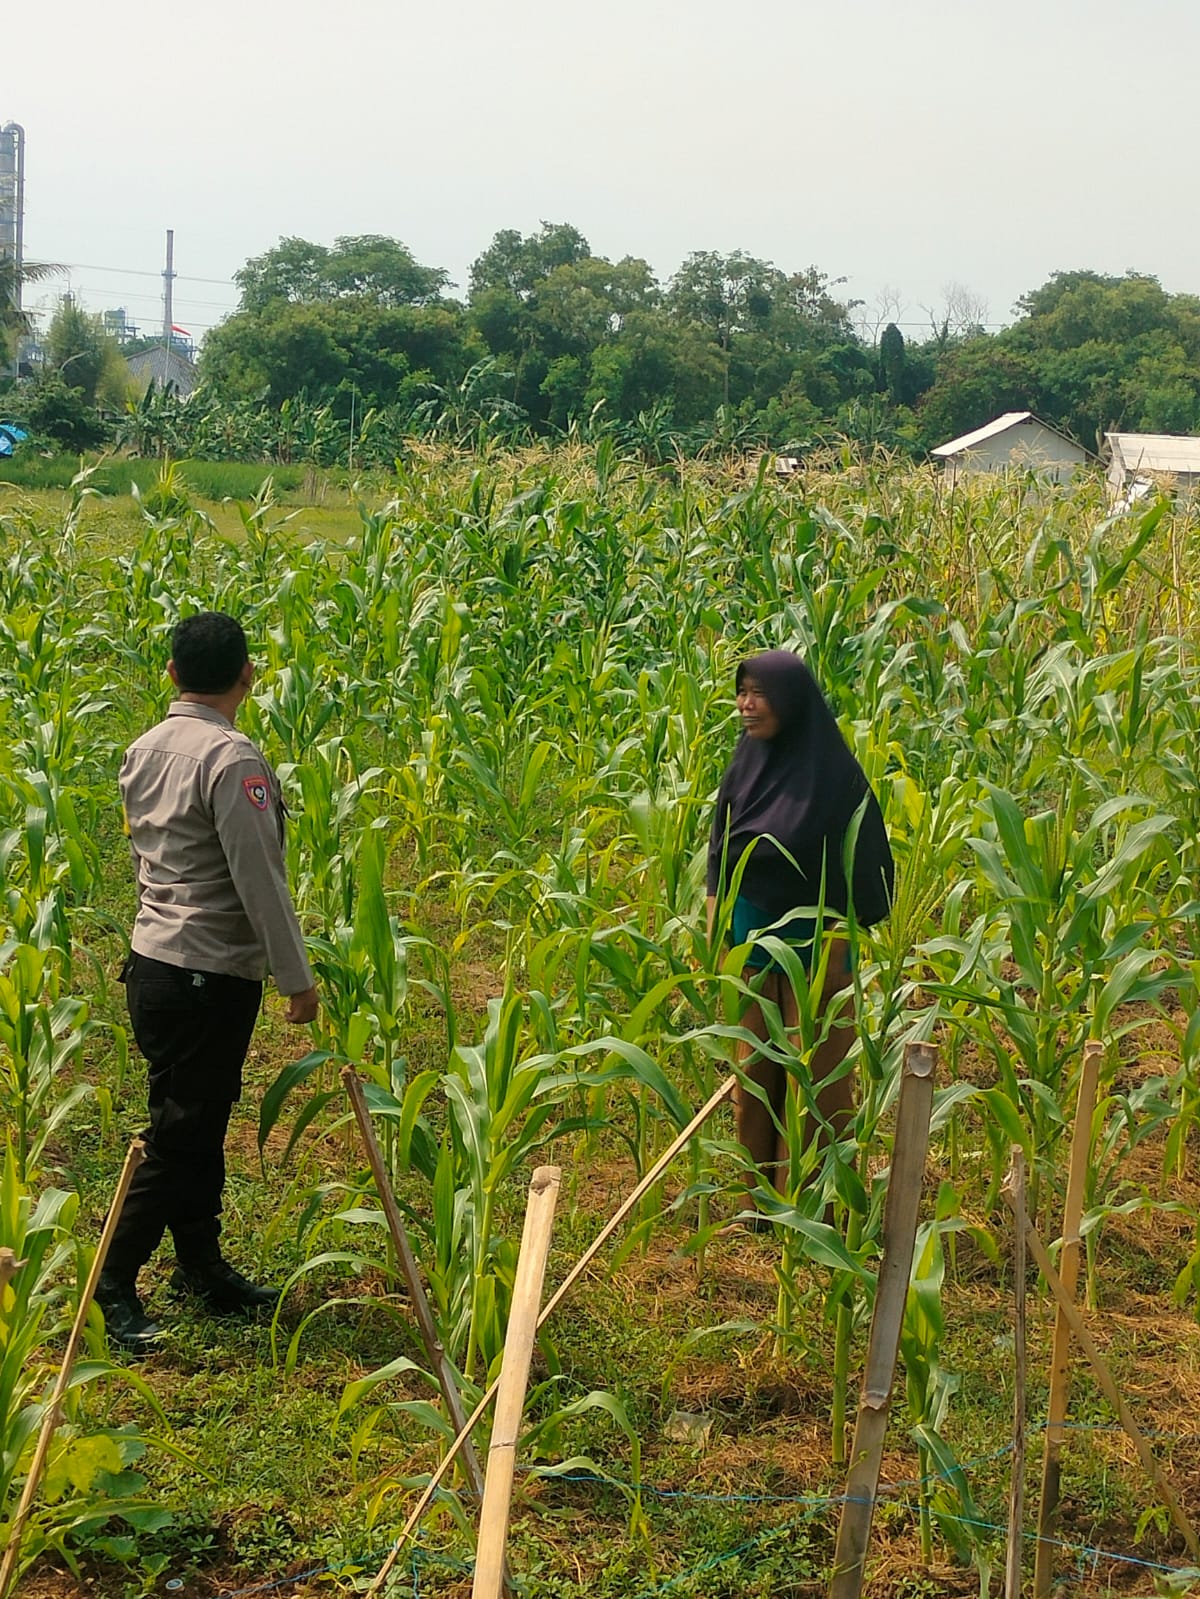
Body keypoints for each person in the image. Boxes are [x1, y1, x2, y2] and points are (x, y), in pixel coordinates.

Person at [96, 612, 319, 1351]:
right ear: (247, 675)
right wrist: (297, 979)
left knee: (198, 1119)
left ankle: (200, 1264)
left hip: (153, 964)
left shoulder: (143, 748)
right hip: (207, 972)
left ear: (172, 674)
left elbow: (148, 858)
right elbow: (260, 880)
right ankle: (110, 1284)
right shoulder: (231, 760)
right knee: (179, 1134)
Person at [705, 650, 893, 1216]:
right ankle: (756, 1204)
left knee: (816, 1079)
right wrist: (715, 918)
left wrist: (840, 942)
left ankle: (812, 1211)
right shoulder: (746, 763)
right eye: (741, 692)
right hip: (753, 938)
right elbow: (721, 844)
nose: (745, 704)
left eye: (758, 693)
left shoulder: (834, 775)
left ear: (791, 701)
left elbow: (866, 865)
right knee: (753, 1073)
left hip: (819, 945)